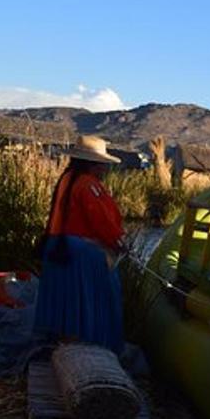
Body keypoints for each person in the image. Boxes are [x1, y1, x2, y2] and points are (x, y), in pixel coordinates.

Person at [33, 135, 126, 354]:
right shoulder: (88, 185)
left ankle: (64, 343)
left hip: (58, 247)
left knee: (65, 301)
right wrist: (118, 243)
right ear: (91, 163)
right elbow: (101, 220)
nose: (105, 169)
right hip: (78, 253)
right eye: (102, 164)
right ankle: (92, 347)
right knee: (100, 295)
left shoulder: (67, 178)